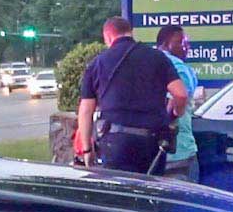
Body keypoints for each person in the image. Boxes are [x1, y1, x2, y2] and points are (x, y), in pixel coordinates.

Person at [75, 17, 188, 175]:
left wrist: (87, 149)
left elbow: (86, 110)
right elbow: (181, 94)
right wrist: (177, 113)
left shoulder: (97, 63)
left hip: (115, 141)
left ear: (107, 37)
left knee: (121, 194)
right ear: (131, 32)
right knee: (151, 193)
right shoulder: (157, 58)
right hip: (151, 141)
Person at [156, 25, 200, 182]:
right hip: (179, 149)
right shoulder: (177, 67)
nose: (186, 47)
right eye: (182, 42)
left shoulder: (146, 64)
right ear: (168, 44)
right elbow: (176, 100)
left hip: (150, 150)